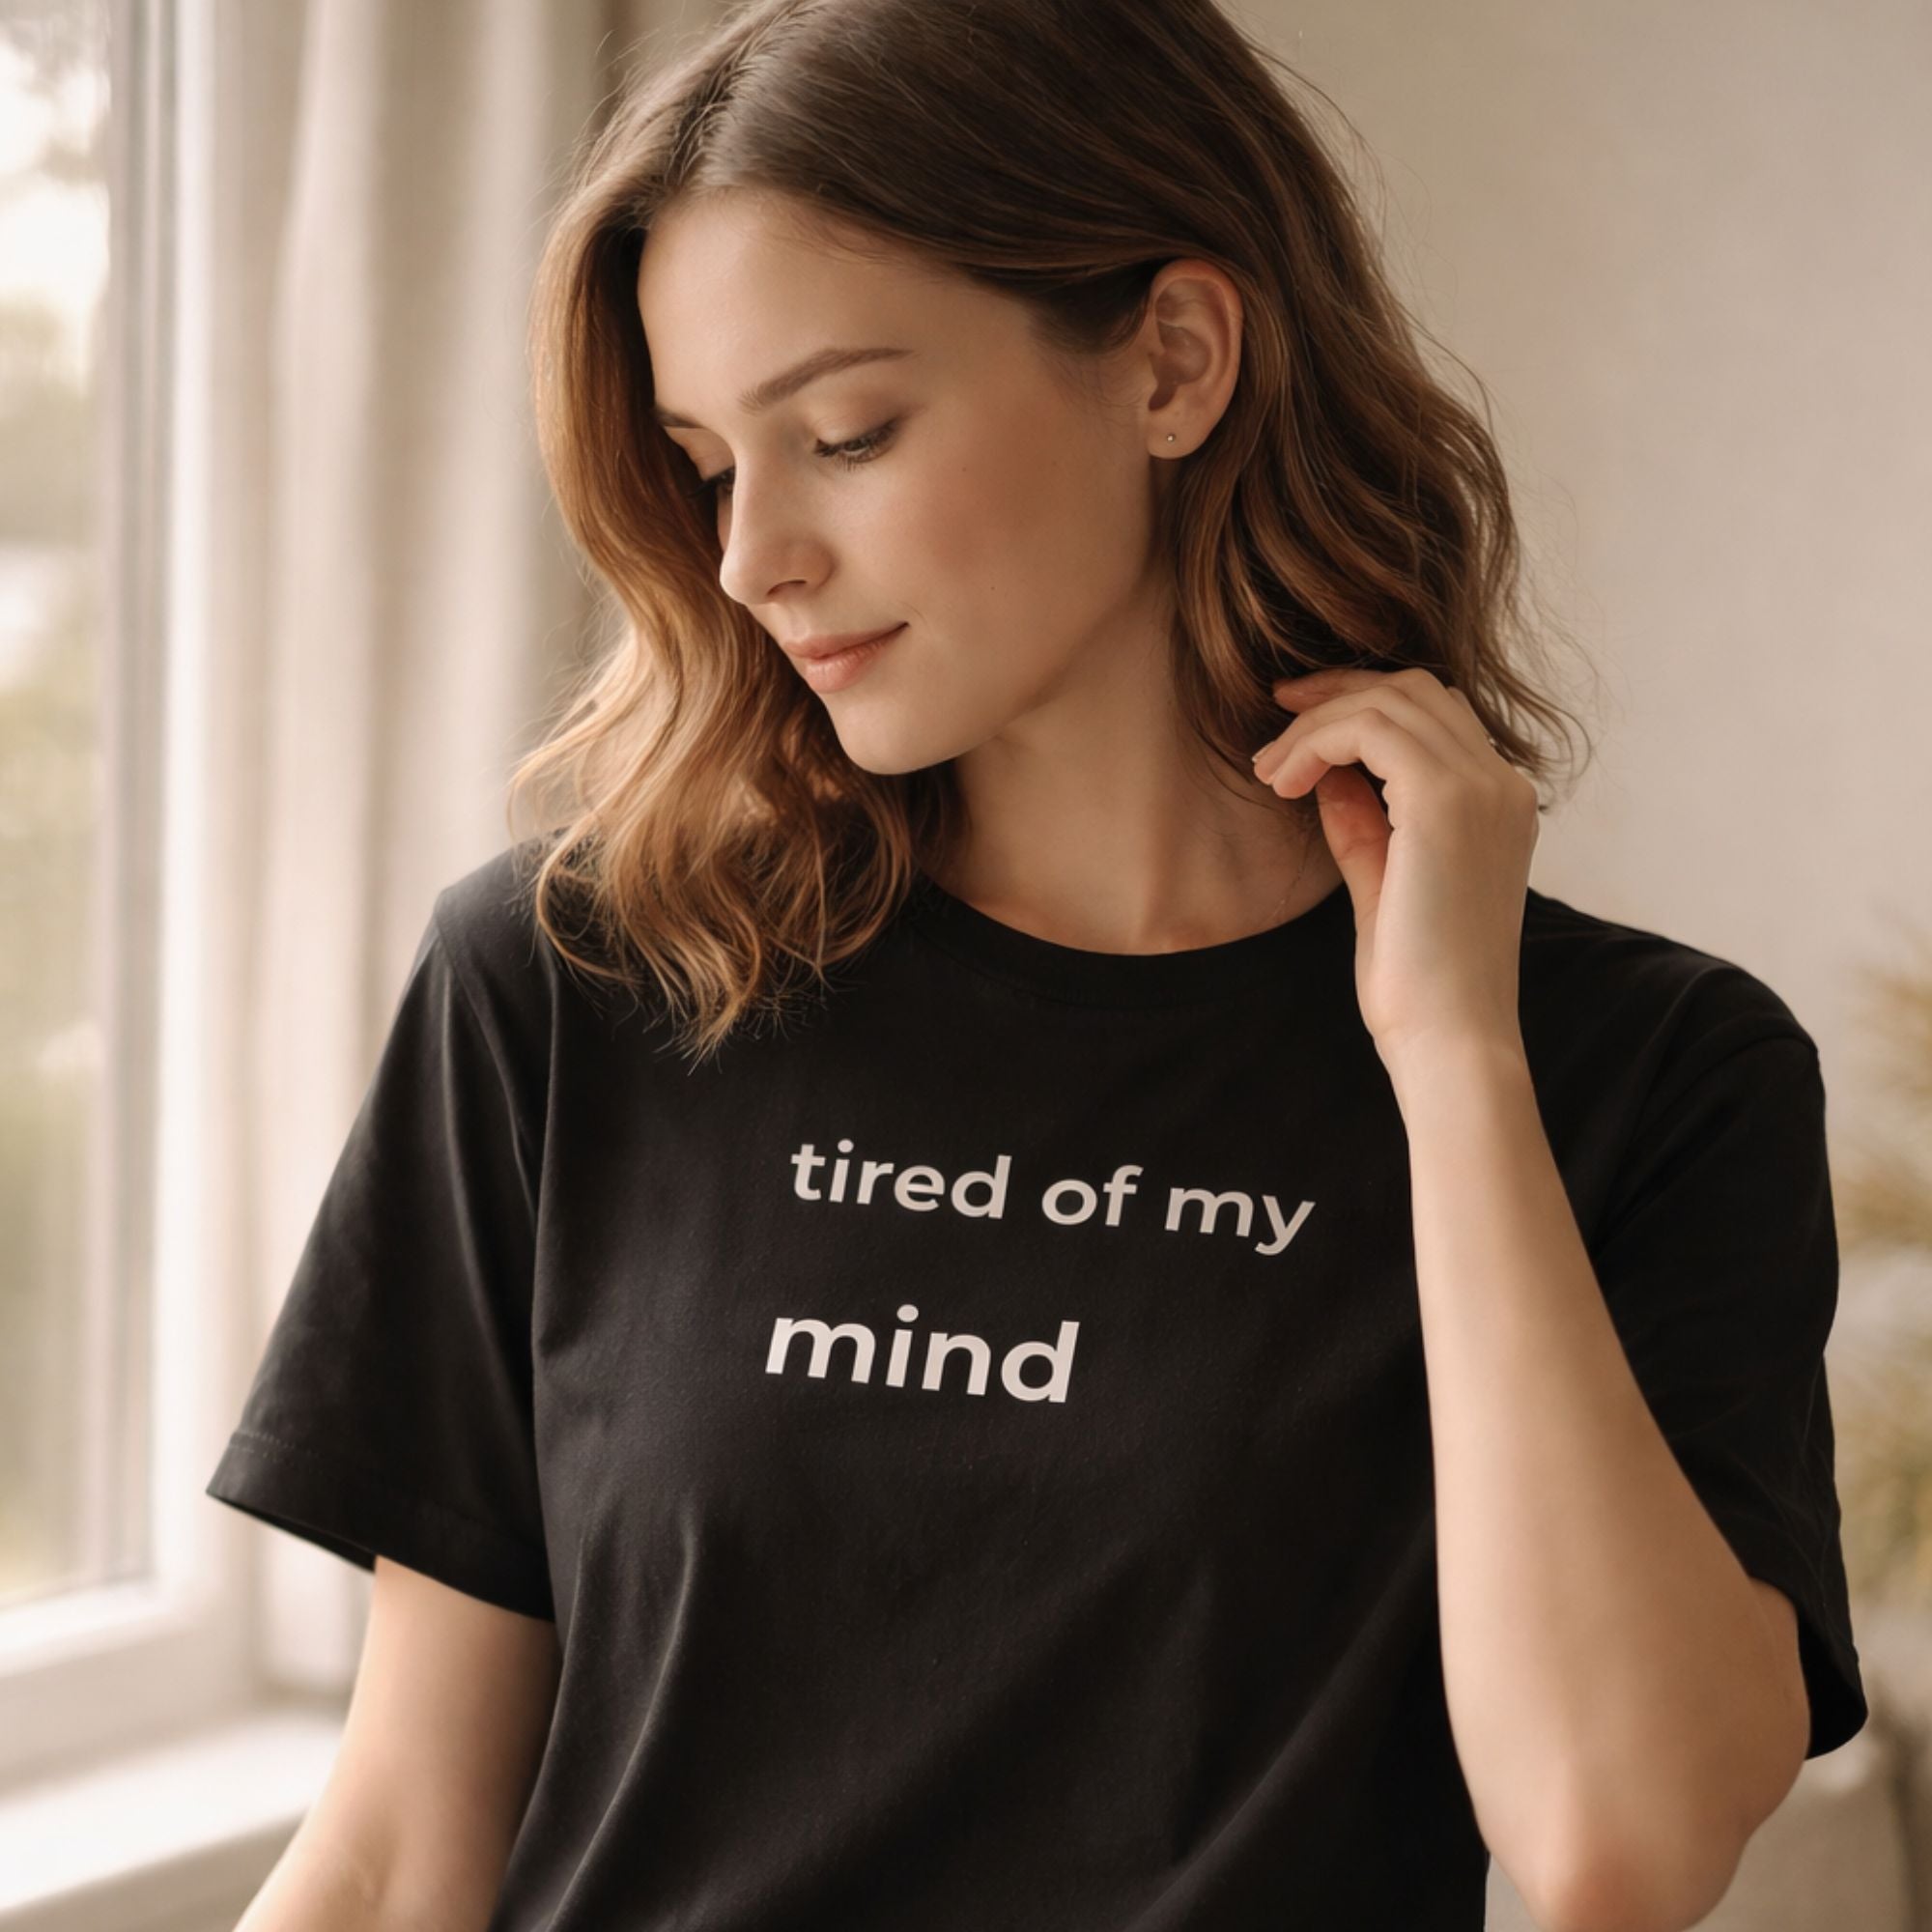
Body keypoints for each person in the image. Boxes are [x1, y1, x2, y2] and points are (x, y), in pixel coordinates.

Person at [207, 1, 1867, 1927]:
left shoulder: (1638, 1074)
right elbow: (403, 1845)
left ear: (1172, 359)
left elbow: (1614, 1843)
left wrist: (1450, 1064)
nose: (754, 558)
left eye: (844, 433)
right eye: (707, 465)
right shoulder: (584, 981)